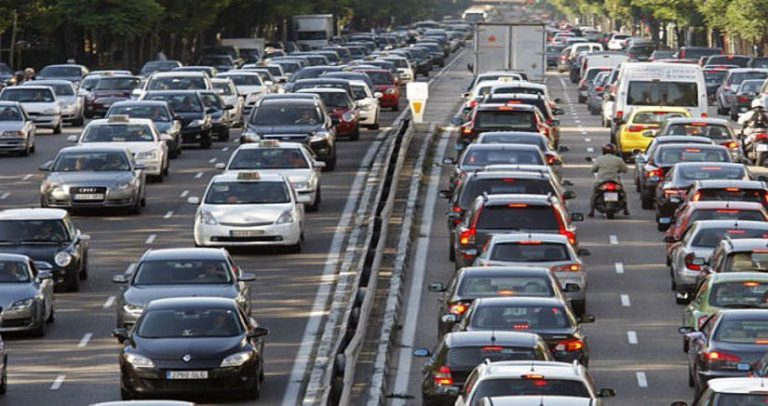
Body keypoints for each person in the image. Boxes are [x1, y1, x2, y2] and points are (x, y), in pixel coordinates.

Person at [588, 143, 629, 217]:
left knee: (594, 194)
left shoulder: (599, 159)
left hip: (601, 182)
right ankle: (626, 210)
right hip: (615, 181)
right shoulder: (618, 160)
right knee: (623, 193)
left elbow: (592, 169)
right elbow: (625, 170)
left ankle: (591, 211)